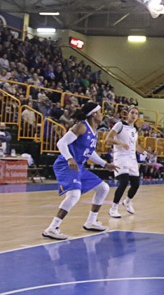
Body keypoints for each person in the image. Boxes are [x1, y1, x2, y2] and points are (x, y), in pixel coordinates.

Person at [42, 102, 119, 240]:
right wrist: (69, 158)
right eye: (100, 111)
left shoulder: (93, 131)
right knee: (74, 195)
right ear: (94, 114)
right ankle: (52, 228)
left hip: (79, 167)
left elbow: (89, 153)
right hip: (66, 164)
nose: (103, 114)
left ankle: (91, 222)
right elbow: (61, 143)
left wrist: (104, 164)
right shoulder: (81, 126)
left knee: (103, 188)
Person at [108, 107, 144, 219]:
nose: (134, 115)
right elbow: (108, 139)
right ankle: (113, 208)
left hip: (132, 159)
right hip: (121, 157)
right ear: (127, 114)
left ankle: (127, 202)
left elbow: (135, 145)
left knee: (136, 184)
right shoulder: (120, 125)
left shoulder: (135, 129)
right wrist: (120, 143)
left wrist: (145, 152)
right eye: (132, 113)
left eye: (136, 113)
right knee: (123, 182)